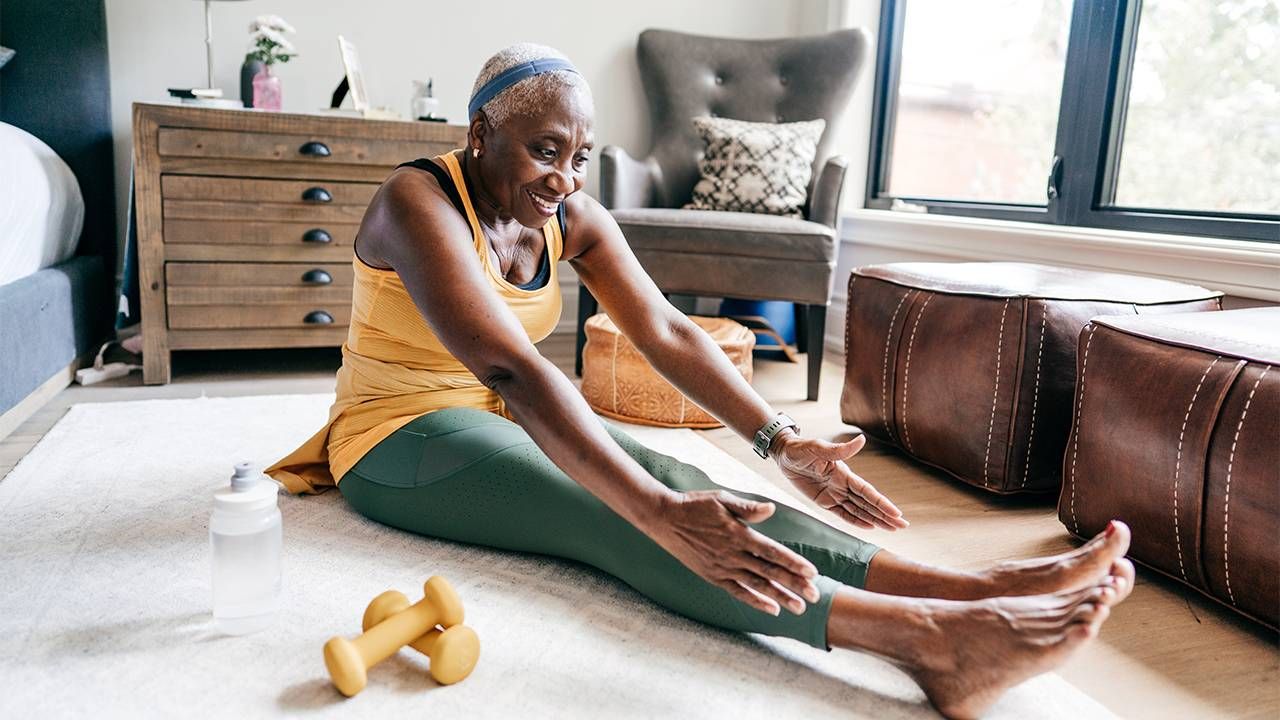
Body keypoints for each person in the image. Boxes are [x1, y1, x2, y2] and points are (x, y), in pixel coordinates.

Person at [267, 43, 1133, 719]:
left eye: (580, 153)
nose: (565, 177)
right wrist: (650, 511)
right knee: (622, 505)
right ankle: (932, 647)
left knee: (690, 482)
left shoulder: (571, 215)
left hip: (502, 416)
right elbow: (512, 367)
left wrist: (778, 440)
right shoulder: (415, 203)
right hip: (396, 440)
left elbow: (670, 331)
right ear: (480, 133)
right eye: (543, 150)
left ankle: (967, 590)